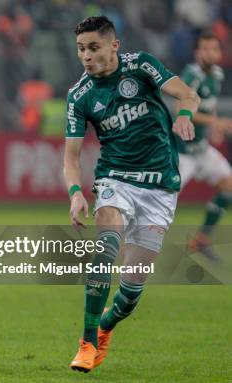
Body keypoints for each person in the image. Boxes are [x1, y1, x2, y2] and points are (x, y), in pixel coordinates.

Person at [63, 16, 199, 372]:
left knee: (131, 292)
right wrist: (76, 192)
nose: (86, 56)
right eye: (81, 49)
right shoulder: (80, 95)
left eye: (93, 47)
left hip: (160, 187)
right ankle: (87, 341)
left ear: (114, 45)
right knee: (106, 246)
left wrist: (184, 115)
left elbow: (188, 94)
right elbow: (71, 157)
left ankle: (106, 326)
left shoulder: (141, 67)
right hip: (115, 179)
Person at [177, 32, 232, 261]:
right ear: (197, 53)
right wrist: (215, 122)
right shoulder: (192, 75)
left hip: (201, 148)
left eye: (214, 49)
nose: (211, 53)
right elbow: (182, 109)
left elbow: (210, 106)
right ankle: (121, 243)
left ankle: (201, 239)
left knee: (228, 185)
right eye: (206, 49)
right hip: (182, 153)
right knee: (159, 203)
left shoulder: (217, 74)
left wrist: (215, 125)